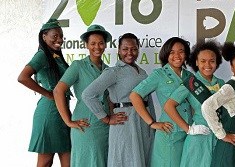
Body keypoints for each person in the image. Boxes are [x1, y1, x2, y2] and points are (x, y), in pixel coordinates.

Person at [82, 33, 155, 167]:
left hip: (143, 121)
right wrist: (106, 118)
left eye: (133, 49)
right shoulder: (113, 72)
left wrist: (152, 123)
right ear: (119, 50)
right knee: (126, 158)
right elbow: (88, 95)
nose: (130, 52)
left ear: (138, 49)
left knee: (143, 157)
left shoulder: (143, 72)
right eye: (125, 49)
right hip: (125, 122)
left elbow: (148, 100)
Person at [53, 24, 120, 167]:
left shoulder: (108, 70)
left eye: (101, 43)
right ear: (86, 45)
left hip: (105, 125)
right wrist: (68, 122)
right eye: (93, 43)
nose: (97, 47)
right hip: (85, 125)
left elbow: (109, 98)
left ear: (105, 45)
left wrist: (112, 115)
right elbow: (58, 91)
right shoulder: (78, 66)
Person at [129, 37, 192, 167]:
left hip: (188, 133)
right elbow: (135, 96)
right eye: (172, 52)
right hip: (169, 134)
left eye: (181, 51)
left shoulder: (189, 76)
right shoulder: (159, 74)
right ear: (166, 54)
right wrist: (151, 123)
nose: (177, 56)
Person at [17, 18, 71, 167]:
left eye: (61, 36)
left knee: (69, 161)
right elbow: (22, 77)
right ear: (44, 36)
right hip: (49, 113)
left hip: (63, 111)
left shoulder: (56, 55)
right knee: (46, 161)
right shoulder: (42, 55)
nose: (59, 39)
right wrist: (48, 93)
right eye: (55, 36)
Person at [163, 40, 225, 167]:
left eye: (212, 61)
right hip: (200, 136)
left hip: (219, 136)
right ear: (196, 62)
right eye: (203, 61)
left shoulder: (222, 83)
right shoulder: (191, 83)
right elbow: (169, 106)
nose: (207, 65)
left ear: (217, 63)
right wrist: (189, 129)